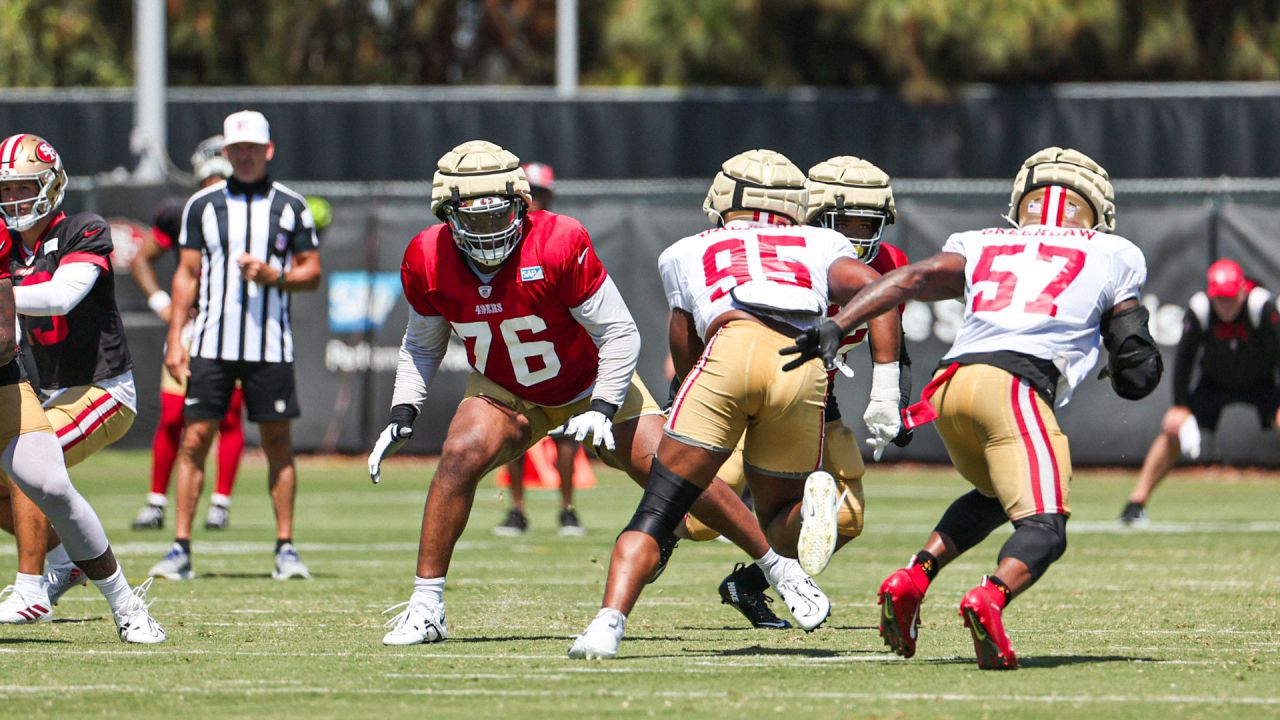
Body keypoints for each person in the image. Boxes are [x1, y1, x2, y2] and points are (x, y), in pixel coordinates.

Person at [368, 140, 826, 647]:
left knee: (678, 474)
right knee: (458, 454)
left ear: (522, 205)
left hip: (591, 380)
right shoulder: (426, 257)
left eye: (498, 217)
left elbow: (621, 333)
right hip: (506, 387)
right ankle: (426, 605)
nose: (489, 232)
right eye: (473, 222)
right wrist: (404, 408)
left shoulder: (559, 241)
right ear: (447, 218)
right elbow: (421, 343)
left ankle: (780, 570)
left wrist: (605, 406)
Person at [781, 147, 1162, 669]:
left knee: (992, 493)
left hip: (952, 388)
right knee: (1044, 528)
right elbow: (1138, 367)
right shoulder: (1116, 252)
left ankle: (914, 575)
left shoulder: (983, 240)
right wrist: (1124, 358)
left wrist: (838, 324)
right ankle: (992, 595)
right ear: (1095, 207)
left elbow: (910, 280)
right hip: (1015, 386)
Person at [569, 148, 899, 659]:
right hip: (803, 366)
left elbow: (683, 342)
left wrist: (688, 396)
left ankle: (606, 627)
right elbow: (880, 289)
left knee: (658, 510)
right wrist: (885, 388)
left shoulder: (683, 250)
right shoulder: (820, 241)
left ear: (722, 199)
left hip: (729, 354)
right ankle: (806, 515)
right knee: (779, 516)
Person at [685, 155, 915, 629]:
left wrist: (893, 398)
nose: (855, 234)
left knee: (845, 518)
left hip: (814, 397)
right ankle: (654, 535)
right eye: (843, 222)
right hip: (742, 386)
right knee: (698, 515)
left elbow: (895, 338)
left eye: (865, 223)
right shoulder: (785, 250)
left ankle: (750, 583)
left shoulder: (887, 265)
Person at [0, 134, 165, 642]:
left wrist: (4, 295)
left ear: (51, 187)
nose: (13, 201)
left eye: (24, 188)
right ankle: (61, 557)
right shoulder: (6, 246)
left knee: (29, 469)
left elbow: (60, 296)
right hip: (46, 392)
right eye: (5, 191)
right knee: (14, 475)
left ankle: (32, 586)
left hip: (103, 389)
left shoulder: (83, 229)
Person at [148, 110, 321, 581]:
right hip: (210, 342)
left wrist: (275, 276)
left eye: (252, 148)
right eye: (236, 149)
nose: (244, 156)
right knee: (195, 439)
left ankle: (285, 547)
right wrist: (175, 340)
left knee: (277, 443)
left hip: (270, 344)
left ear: (268, 150)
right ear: (226, 154)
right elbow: (185, 274)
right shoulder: (202, 206)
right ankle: (180, 546)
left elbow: (312, 271)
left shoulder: (291, 206)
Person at [130, 135, 244, 532]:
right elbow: (142, 259)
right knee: (174, 415)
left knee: (228, 416)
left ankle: (220, 502)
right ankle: (157, 501)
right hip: (193, 326)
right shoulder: (182, 212)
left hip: (237, 325)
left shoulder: (255, 211)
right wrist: (163, 304)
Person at [1120, 258, 1280, 526]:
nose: (1225, 306)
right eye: (1220, 299)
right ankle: (1136, 502)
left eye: (1230, 298)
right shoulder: (1200, 309)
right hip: (1214, 382)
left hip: (1261, 381)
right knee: (1172, 429)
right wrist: (1179, 406)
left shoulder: (1261, 307)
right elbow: (1185, 360)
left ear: (1242, 291)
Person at [494, 161, 589, 537]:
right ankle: (516, 510)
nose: (535, 201)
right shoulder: (499, 238)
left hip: (558, 344)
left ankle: (567, 509)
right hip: (515, 344)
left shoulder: (561, 234)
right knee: (513, 430)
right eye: (530, 193)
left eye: (541, 194)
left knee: (567, 435)